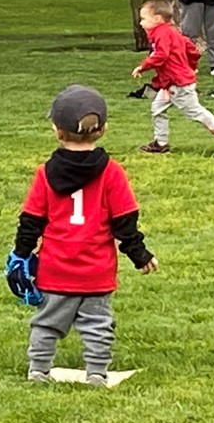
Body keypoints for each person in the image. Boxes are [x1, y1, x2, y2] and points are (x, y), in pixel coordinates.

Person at [10, 84, 158, 386]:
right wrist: (139, 255)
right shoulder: (112, 172)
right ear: (103, 130)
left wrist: (20, 255)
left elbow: (31, 221)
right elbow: (124, 222)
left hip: (55, 268)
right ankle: (96, 374)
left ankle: (38, 369)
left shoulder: (45, 173)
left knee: (47, 322)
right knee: (98, 325)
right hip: (96, 271)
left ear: (57, 130)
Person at [132, 0, 214, 154]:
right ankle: (161, 143)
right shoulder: (173, 32)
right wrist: (191, 67)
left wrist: (143, 66)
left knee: (194, 111)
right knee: (157, 108)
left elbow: (161, 55)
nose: (141, 23)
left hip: (177, 83)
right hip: (171, 82)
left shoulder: (161, 33)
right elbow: (192, 50)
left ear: (157, 19)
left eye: (143, 19)